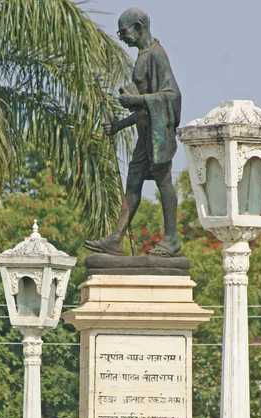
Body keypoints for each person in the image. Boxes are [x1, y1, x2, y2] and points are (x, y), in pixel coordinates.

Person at [83, 7, 182, 257]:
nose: (122, 37)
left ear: (138, 27)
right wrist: (119, 124)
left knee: (163, 181)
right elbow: (143, 110)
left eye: (124, 31)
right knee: (134, 182)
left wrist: (137, 101)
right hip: (145, 134)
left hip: (158, 134)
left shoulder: (156, 55)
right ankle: (116, 239)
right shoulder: (142, 55)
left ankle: (171, 239)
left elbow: (172, 95)